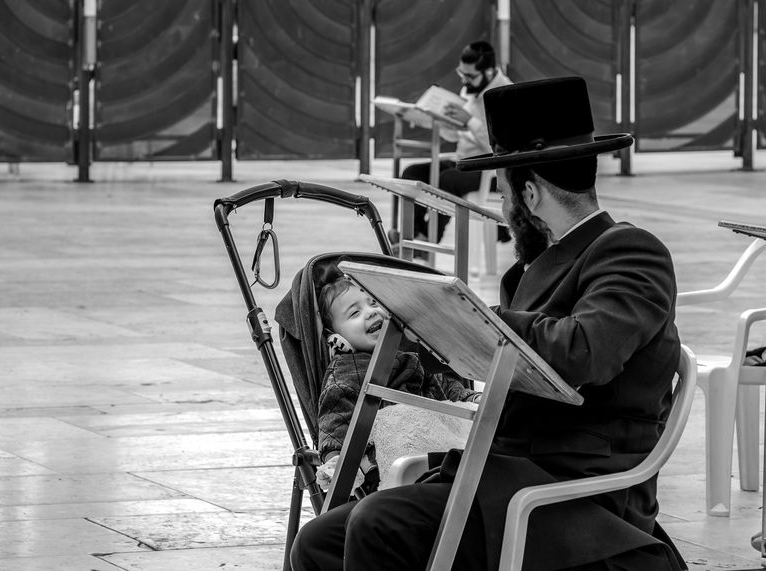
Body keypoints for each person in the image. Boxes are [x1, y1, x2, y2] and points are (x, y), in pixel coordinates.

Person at [291, 76, 686, 571]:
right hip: (506, 472)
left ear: (530, 193)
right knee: (319, 541)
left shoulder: (630, 251)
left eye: (502, 193)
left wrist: (472, 320)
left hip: (579, 491)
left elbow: (585, 351)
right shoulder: (530, 270)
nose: (502, 207)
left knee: (379, 522)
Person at [315, 274, 480, 493]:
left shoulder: (414, 355)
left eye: (375, 303)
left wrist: (475, 399)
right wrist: (336, 460)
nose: (371, 312)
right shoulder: (343, 373)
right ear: (335, 337)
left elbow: (450, 390)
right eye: (354, 313)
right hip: (387, 467)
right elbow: (335, 421)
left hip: (441, 452)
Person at [400, 40, 512, 244]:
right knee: (412, 173)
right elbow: (456, 136)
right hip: (464, 161)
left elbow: (502, 145)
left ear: (489, 72)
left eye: (470, 76)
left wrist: (469, 120)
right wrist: (440, 120)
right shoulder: (469, 89)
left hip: (492, 169)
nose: (464, 80)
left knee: (447, 179)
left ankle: (430, 239)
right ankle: (412, 235)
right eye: (461, 73)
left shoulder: (505, 94)